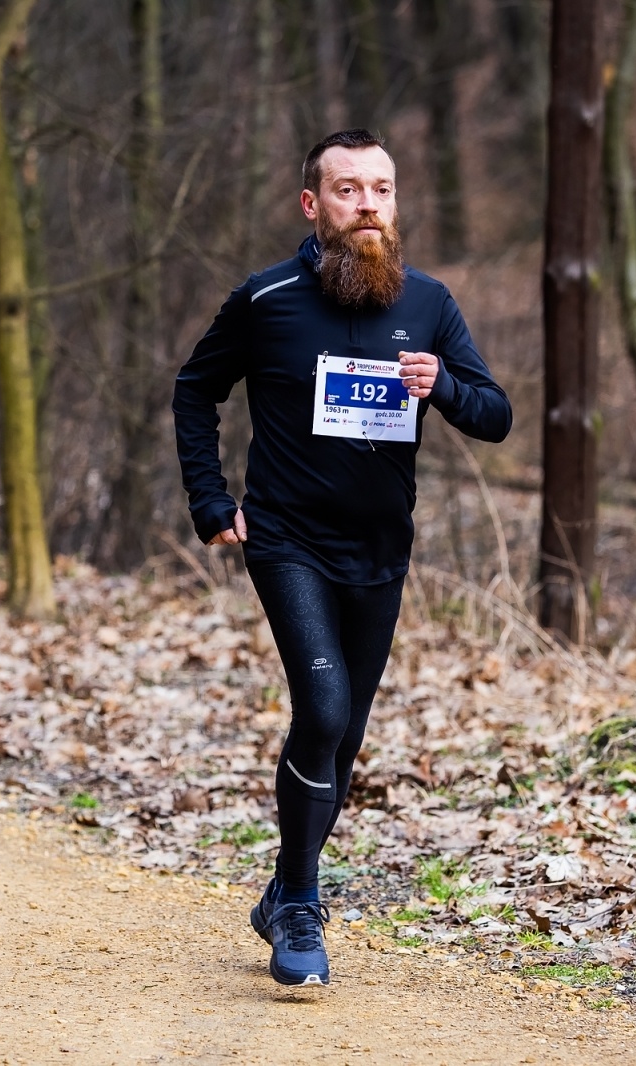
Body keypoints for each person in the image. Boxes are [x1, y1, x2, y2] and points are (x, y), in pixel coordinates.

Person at [172, 128, 512, 987]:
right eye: (350, 189)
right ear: (312, 205)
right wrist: (211, 501)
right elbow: (194, 387)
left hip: (380, 552)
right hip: (286, 542)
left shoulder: (428, 304)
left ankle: (282, 886)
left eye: (383, 189)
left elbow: (497, 414)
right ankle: (300, 908)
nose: (369, 205)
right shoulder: (269, 299)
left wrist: (448, 386)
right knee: (321, 711)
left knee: (345, 737)